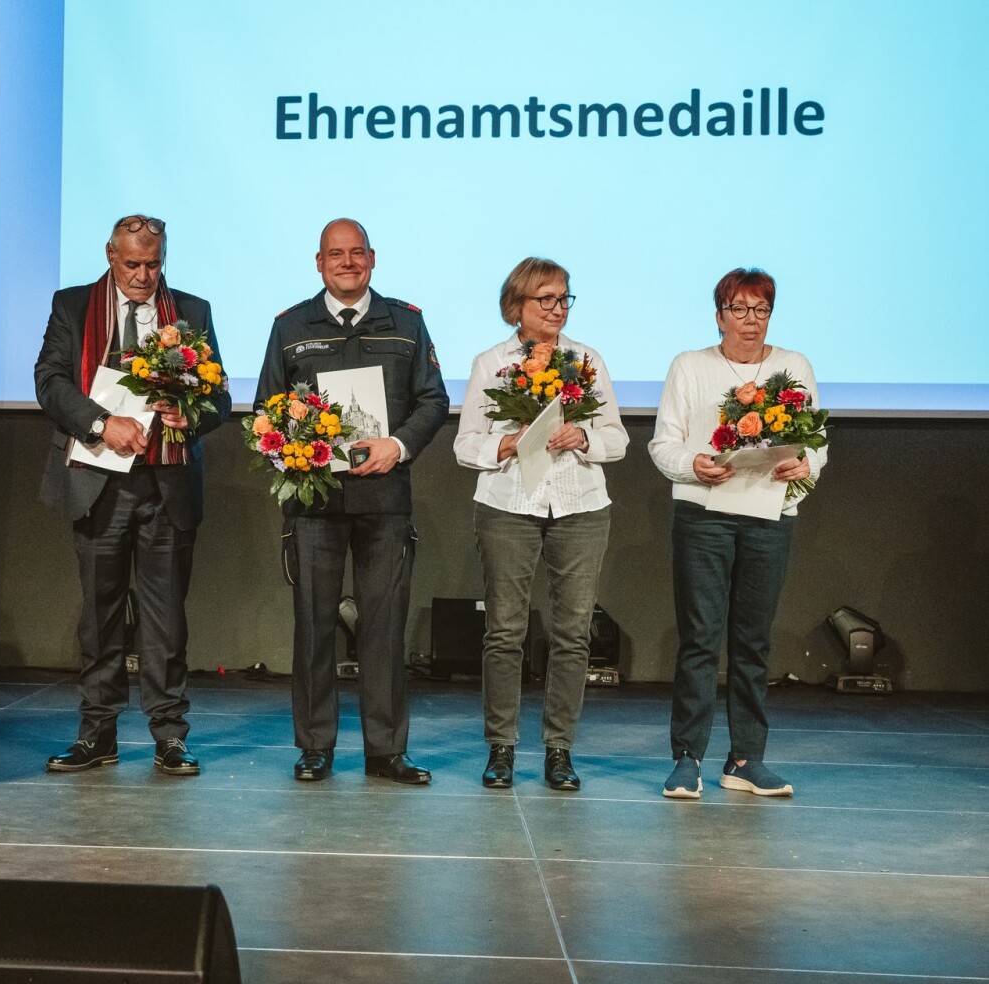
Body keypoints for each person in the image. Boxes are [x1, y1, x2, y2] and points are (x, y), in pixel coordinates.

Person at [35, 214, 230, 777]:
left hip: (165, 485)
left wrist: (186, 415)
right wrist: (100, 424)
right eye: (132, 264)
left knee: (165, 620)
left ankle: (170, 735)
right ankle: (97, 735)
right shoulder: (72, 306)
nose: (144, 275)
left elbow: (217, 399)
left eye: (154, 264)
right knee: (99, 619)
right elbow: (49, 381)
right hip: (98, 483)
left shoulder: (192, 311)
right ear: (109, 256)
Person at [255, 218, 449, 784]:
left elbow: (432, 400)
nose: (347, 262)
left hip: (385, 499)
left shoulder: (407, 323)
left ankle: (386, 749)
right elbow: (268, 408)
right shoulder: (291, 326)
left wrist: (400, 443)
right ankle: (315, 745)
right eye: (335, 255)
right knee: (313, 624)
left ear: (372, 258)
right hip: (316, 502)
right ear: (319, 262)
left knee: (384, 627)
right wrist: (296, 452)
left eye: (357, 253)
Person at [649, 268, 826, 799]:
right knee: (700, 639)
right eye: (739, 309)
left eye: (761, 310)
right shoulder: (690, 366)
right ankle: (688, 758)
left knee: (753, 641)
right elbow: (663, 445)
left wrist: (807, 463)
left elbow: (815, 439)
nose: (750, 322)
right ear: (719, 314)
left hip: (769, 514)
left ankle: (746, 758)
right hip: (705, 514)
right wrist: (694, 463)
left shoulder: (792, 366)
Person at [453, 257, 628, 791]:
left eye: (563, 298)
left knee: (572, 633)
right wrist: (506, 443)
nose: (556, 309)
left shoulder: (587, 360)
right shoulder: (492, 363)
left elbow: (617, 439)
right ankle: (501, 748)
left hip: (579, 506)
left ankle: (559, 749)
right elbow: (464, 445)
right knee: (505, 631)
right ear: (516, 306)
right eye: (545, 299)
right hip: (509, 503)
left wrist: (585, 438)